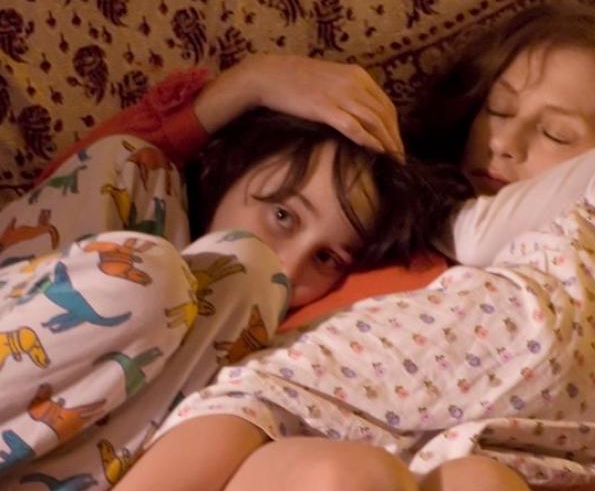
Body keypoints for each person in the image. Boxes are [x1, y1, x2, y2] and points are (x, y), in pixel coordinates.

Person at [13, 3, 595, 490]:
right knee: (347, 477)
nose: (504, 144)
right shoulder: (380, 213)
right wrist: (250, 85)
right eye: (497, 109)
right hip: (277, 447)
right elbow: (74, 216)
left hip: (466, 458)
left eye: (556, 133)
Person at [0, 102, 467, 488]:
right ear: (232, 168)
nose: (289, 266)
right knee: (134, 176)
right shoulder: (137, 177)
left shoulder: (273, 340)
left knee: (247, 275)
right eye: (283, 215)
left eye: (326, 258)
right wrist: (248, 86)